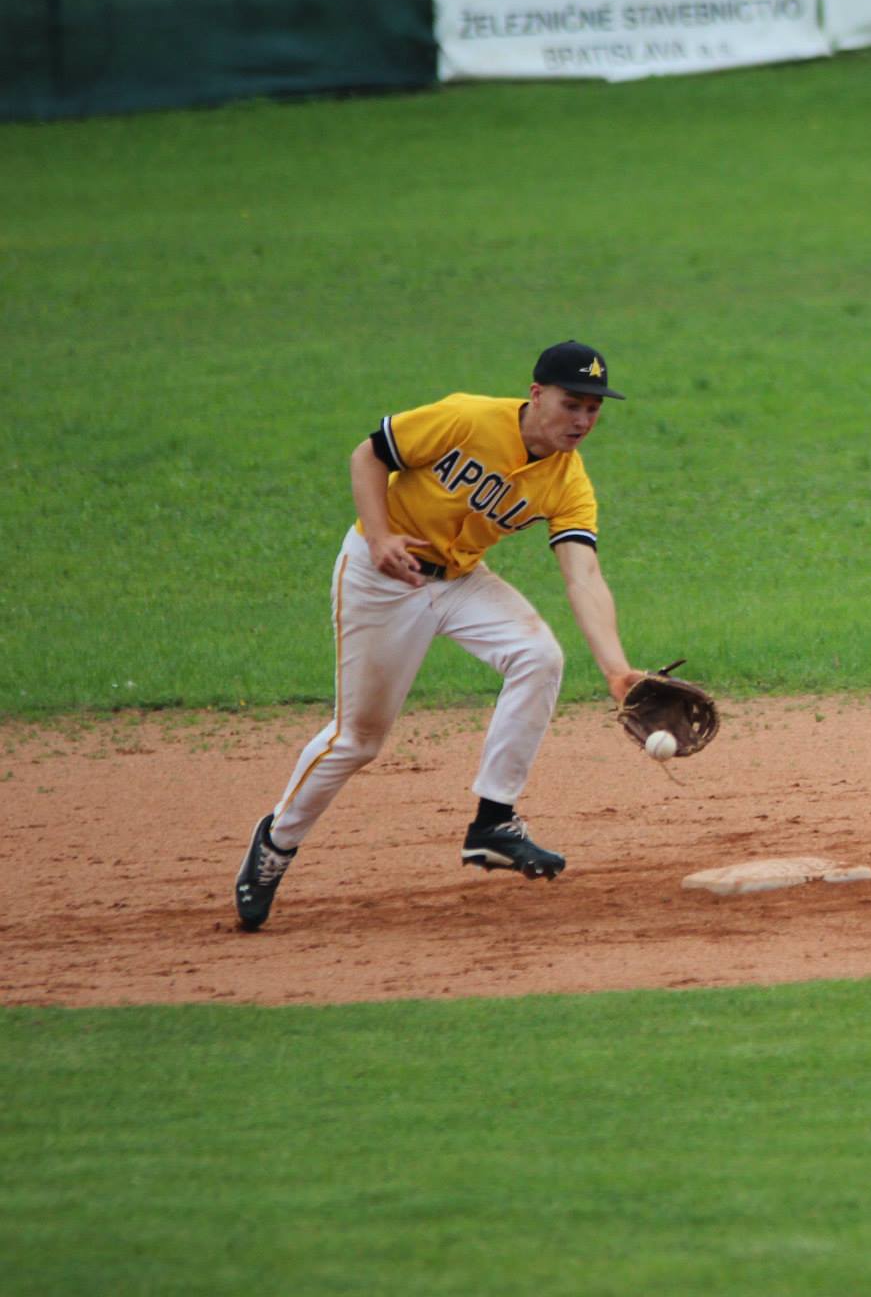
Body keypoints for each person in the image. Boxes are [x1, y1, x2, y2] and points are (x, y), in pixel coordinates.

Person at [234, 341, 648, 930]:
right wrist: (379, 535)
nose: (582, 420)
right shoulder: (467, 417)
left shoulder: (568, 483)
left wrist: (617, 670)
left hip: (459, 581)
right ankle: (277, 842)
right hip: (381, 576)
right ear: (536, 395)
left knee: (538, 655)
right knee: (358, 740)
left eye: (593, 409)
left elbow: (583, 575)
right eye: (571, 403)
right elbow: (368, 455)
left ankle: (494, 822)